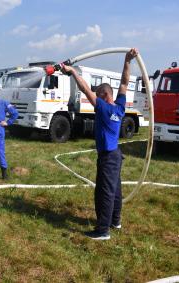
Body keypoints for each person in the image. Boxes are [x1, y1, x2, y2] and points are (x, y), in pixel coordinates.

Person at [60, 48, 139, 240]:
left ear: (104, 95)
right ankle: (115, 221)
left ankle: (103, 230)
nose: (94, 95)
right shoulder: (120, 107)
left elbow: (85, 88)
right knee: (116, 190)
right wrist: (128, 61)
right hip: (116, 154)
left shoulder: (103, 108)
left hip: (108, 157)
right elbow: (124, 82)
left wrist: (73, 72)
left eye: (98, 93)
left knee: (104, 192)